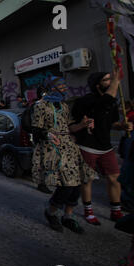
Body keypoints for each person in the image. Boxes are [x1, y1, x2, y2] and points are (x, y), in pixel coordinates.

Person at [32, 76, 96, 234]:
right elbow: (36, 129)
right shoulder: (41, 106)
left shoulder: (64, 106)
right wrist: (47, 134)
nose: (64, 88)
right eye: (61, 86)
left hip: (69, 146)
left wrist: (83, 124)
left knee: (78, 183)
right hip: (53, 147)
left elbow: (70, 127)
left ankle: (68, 216)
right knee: (66, 185)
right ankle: (51, 211)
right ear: (52, 88)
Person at [71, 70, 134, 225]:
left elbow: (112, 123)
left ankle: (116, 211)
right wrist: (116, 81)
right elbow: (103, 102)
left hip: (105, 147)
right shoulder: (85, 101)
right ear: (97, 85)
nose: (110, 82)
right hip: (88, 146)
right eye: (107, 80)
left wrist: (122, 126)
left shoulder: (111, 102)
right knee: (88, 180)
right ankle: (88, 211)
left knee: (114, 178)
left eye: (110, 80)